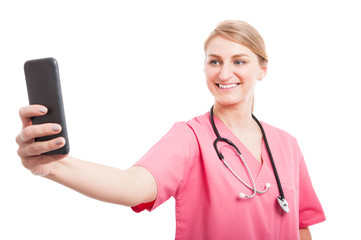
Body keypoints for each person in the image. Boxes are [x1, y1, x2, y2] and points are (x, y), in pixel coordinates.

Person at [16, 20, 325, 239]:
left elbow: (300, 226)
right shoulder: (190, 138)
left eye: (239, 61)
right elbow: (132, 185)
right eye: (214, 61)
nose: (225, 72)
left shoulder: (287, 145)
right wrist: (54, 167)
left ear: (263, 69)